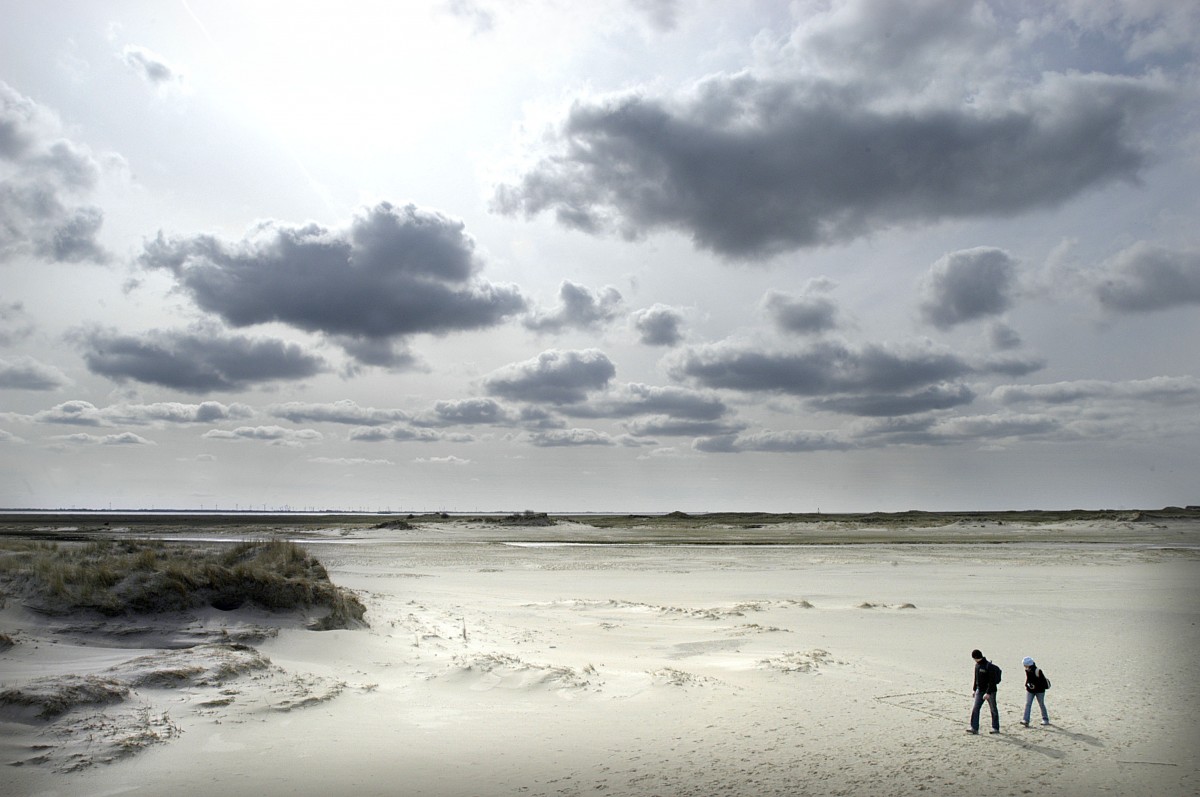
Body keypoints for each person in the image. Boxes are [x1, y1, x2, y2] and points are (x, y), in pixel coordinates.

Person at [967, 649, 1000, 734]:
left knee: (993, 709)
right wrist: (974, 690)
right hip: (979, 690)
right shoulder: (977, 665)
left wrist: (988, 693)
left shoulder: (989, 666)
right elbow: (976, 679)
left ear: (976, 657)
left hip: (990, 691)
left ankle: (995, 728)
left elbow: (992, 681)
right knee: (976, 708)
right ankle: (974, 728)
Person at [1020, 656, 1050, 726]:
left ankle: (1045, 719)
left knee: (1041, 704)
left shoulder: (1038, 671)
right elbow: (1028, 679)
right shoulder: (1027, 670)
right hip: (1030, 690)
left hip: (1040, 691)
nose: (1024, 666)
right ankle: (1026, 720)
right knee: (1028, 704)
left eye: (1025, 664)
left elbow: (1042, 682)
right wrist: (1027, 685)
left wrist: (1034, 686)